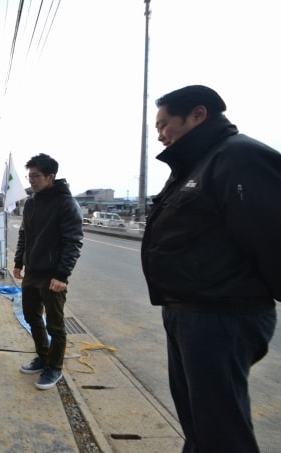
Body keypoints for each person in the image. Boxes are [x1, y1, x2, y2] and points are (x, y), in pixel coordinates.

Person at [141, 85, 280, 453]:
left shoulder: (238, 158)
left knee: (222, 432)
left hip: (221, 316)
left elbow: (271, 236)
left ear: (197, 115)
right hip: (188, 313)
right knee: (200, 426)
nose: (159, 135)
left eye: (164, 124)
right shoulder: (196, 164)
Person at [12, 153, 83, 390]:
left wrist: (62, 276)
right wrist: (18, 262)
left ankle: (55, 368)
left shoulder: (66, 204)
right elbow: (24, 234)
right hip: (32, 272)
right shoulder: (31, 203)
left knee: (55, 325)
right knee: (32, 317)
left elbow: (73, 242)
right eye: (29, 176)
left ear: (50, 177)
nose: (31, 180)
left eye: (36, 176)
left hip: (53, 275)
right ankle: (42, 356)